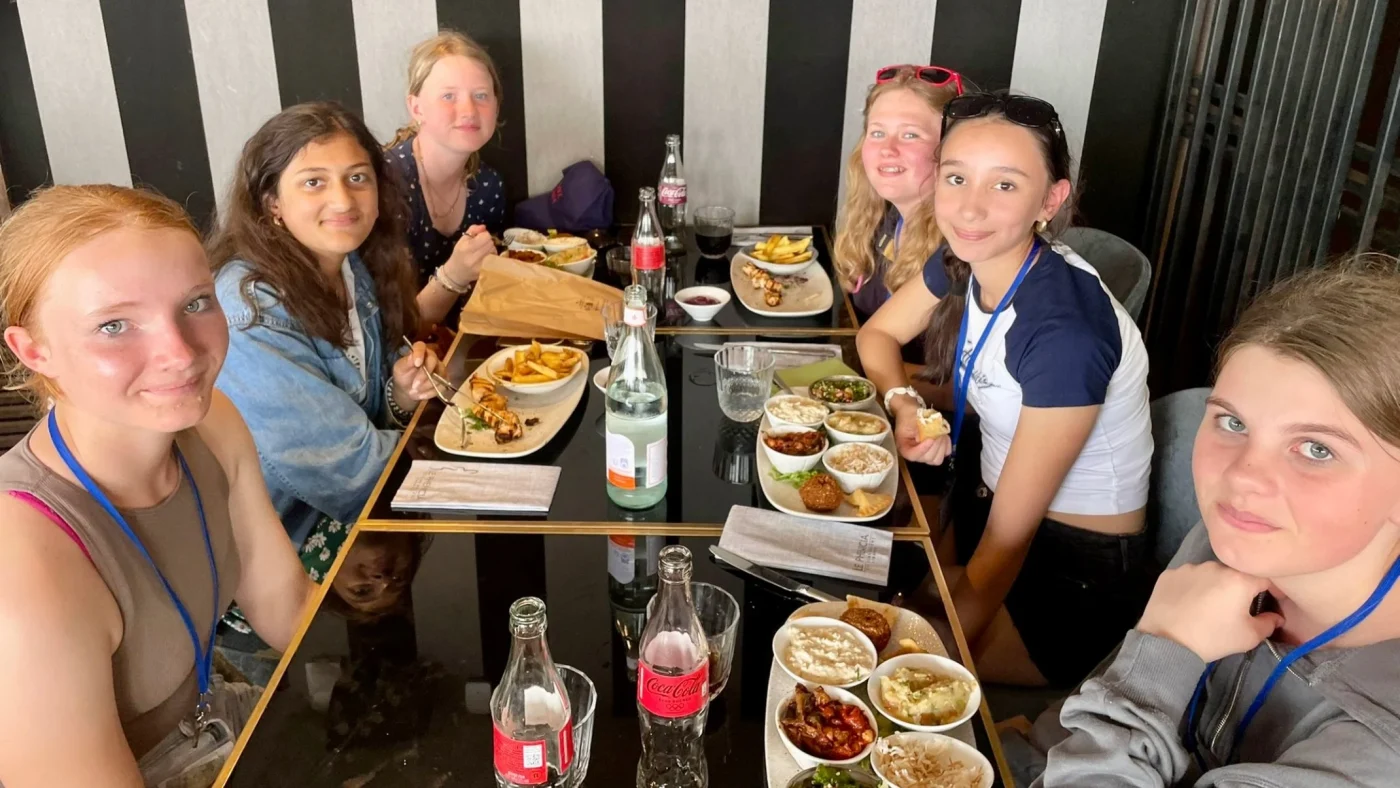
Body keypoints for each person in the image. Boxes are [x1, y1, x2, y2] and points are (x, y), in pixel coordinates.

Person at [1032, 260, 1400, 786]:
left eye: (1316, 449)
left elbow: (1131, 688)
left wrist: (1162, 655)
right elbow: (1077, 719)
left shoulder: (1384, 749)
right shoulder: (1238, 535)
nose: (1242, 477)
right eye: (1232, 422)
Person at [0, 184, 313, 785]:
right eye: (115, 324)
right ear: (34, 349)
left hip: (212, 721)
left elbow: (288, 610)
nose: (180, 353)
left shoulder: (213, 422)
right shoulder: (25, 565)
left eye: (195, 303)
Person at [856, 92, 1154, 687]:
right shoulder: (972, 255)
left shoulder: (1065, 331)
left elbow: (1005, 550)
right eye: (957, 177)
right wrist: (903, 401)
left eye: (1005, 185)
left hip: (1065, 579)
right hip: (981, 509)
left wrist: (927, 660)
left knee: (864, 662)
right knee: (848, 595)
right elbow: (877, 336)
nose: (969, 207)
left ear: (1051, 200)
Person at [210, 101, 440, 580]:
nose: (343, 200)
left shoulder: (351, 264)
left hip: (362, 536)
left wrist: (400, 392)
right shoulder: (251, 309)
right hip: (282, 568)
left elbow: (375, 402)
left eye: (358, 178)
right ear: (271, 201)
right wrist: (482, 473)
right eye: (314, 181)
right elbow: (348, 469)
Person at [833, 64, 962, 378]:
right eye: (877, 132)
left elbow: (971, 395)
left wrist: (857, 375)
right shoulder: (881, 219)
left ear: (954, 149)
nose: (887, 149)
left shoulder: (966, 246)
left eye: (910, 134)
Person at [385, 30, 506, 325]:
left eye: (481, 96)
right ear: (416, 108)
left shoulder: (488, 187)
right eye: (448, 96)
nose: (468, 110)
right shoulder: (385, 185)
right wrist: (454, 275)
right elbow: (388, 333)